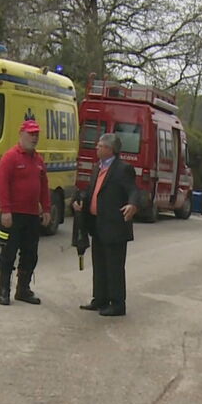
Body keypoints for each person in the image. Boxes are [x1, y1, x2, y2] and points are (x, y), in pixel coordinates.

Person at [71, 133, 139, 316]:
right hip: (98, 225)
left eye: (100, 146)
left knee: (114, 266)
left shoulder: (122, 169)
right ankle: (99, 299)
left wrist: (132, 204)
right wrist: (81, 203)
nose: (96, 148)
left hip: (115, 226)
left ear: (110, 150)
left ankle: (117, 304)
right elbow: (93, 192)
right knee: (99, 265)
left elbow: (133, 190)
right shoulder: (97, 168)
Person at [0, 119, 51, 306]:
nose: (34, 138)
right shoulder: (10, 157)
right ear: (21, 135)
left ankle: (23, 289)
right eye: (31, 134)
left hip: (32, 215)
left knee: (30, 254)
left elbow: (44, 187)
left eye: (37, 134)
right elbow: (2, 184)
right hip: (13, 215)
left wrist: (47, 209)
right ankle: (4, 290)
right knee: (8, 253)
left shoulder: (38, 160)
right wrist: (5, 210)